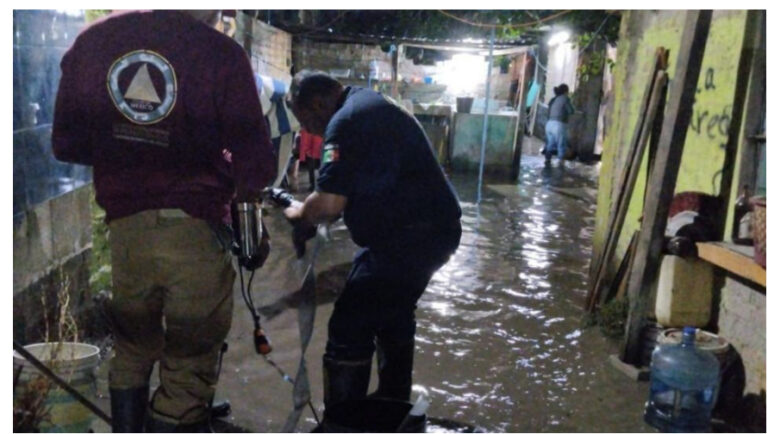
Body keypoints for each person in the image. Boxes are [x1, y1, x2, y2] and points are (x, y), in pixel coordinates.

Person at [52, 10, 275, 432]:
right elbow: (255, 162)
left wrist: (130, 146)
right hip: (193, 226)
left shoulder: (93, 42)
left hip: (125, 229)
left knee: (132, 349)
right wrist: (253, 231)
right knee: (190, 359)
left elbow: (65, 143)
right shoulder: (220, 53)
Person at [284, 71, 462, 410]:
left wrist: (300, 214)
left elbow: (329, 204)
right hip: (426, 233)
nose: (306, 130)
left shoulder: (345, 120)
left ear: (319, 103)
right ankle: (392, 406)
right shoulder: (365, 105)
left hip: (412, 239)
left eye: (305, 119)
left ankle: (344, 421)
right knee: (392, 314)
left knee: (349, 323)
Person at [544, 83, 575, 163]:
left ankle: (547, 162)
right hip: (558, 125)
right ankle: (560, 167)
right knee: (561, 146)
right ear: (566, 92)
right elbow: (571, 111)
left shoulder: (554, 99)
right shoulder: (565, 98)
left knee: (550, 145)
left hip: (549, 125)